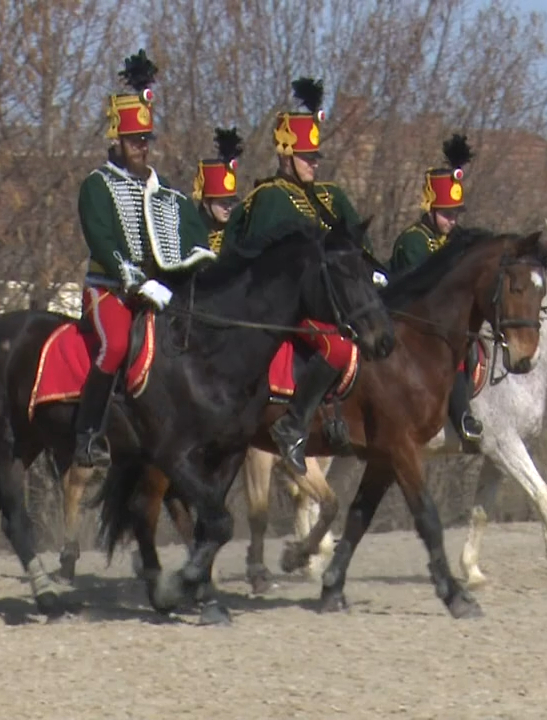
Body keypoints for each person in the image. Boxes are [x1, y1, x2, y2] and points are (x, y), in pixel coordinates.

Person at [220, 76, 388, 476]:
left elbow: (354, 247)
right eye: (307, 155)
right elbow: (263, 264)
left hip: (332, 302)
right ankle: (294, 426)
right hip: (286, 309)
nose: (314, 162)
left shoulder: (331, 196)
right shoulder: (271, 197)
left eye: (316, 156)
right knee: (340, 350)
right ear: (285, 155)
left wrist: (376, 273)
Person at [73, 49, 216, 469]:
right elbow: (103, 241)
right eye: (135, 141)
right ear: (115, 140)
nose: (142, 148)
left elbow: (190, 235)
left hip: (158, 294)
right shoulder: (96, 187)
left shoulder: (164, 189)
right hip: (109, 292)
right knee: (115, 345)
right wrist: (134, 281)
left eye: (146, 141)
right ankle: (87, 434)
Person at [388, 134, 484, 447]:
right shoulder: (413, 241)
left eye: (456, 214)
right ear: (430, 208)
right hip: (409, 320)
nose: (452, 220)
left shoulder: (456, 243)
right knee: (451, 350)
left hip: (444, 319)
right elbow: (422, 290)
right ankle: (462, 416)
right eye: (446, 213)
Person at [191, 127, 244, 253]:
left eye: (230, 202)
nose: (228, 208)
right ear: (206, 202)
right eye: (222, 203)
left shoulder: (237, 233)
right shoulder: (193, 232)